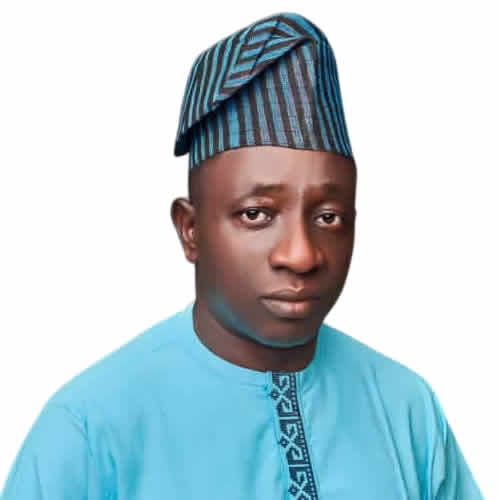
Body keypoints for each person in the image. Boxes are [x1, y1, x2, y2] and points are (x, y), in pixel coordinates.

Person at [0, 12, 484, 500]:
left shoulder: (407, 411)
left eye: (328, 217)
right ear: (190, 230)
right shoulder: (89, 430)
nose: (301, 256)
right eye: (256, 214)